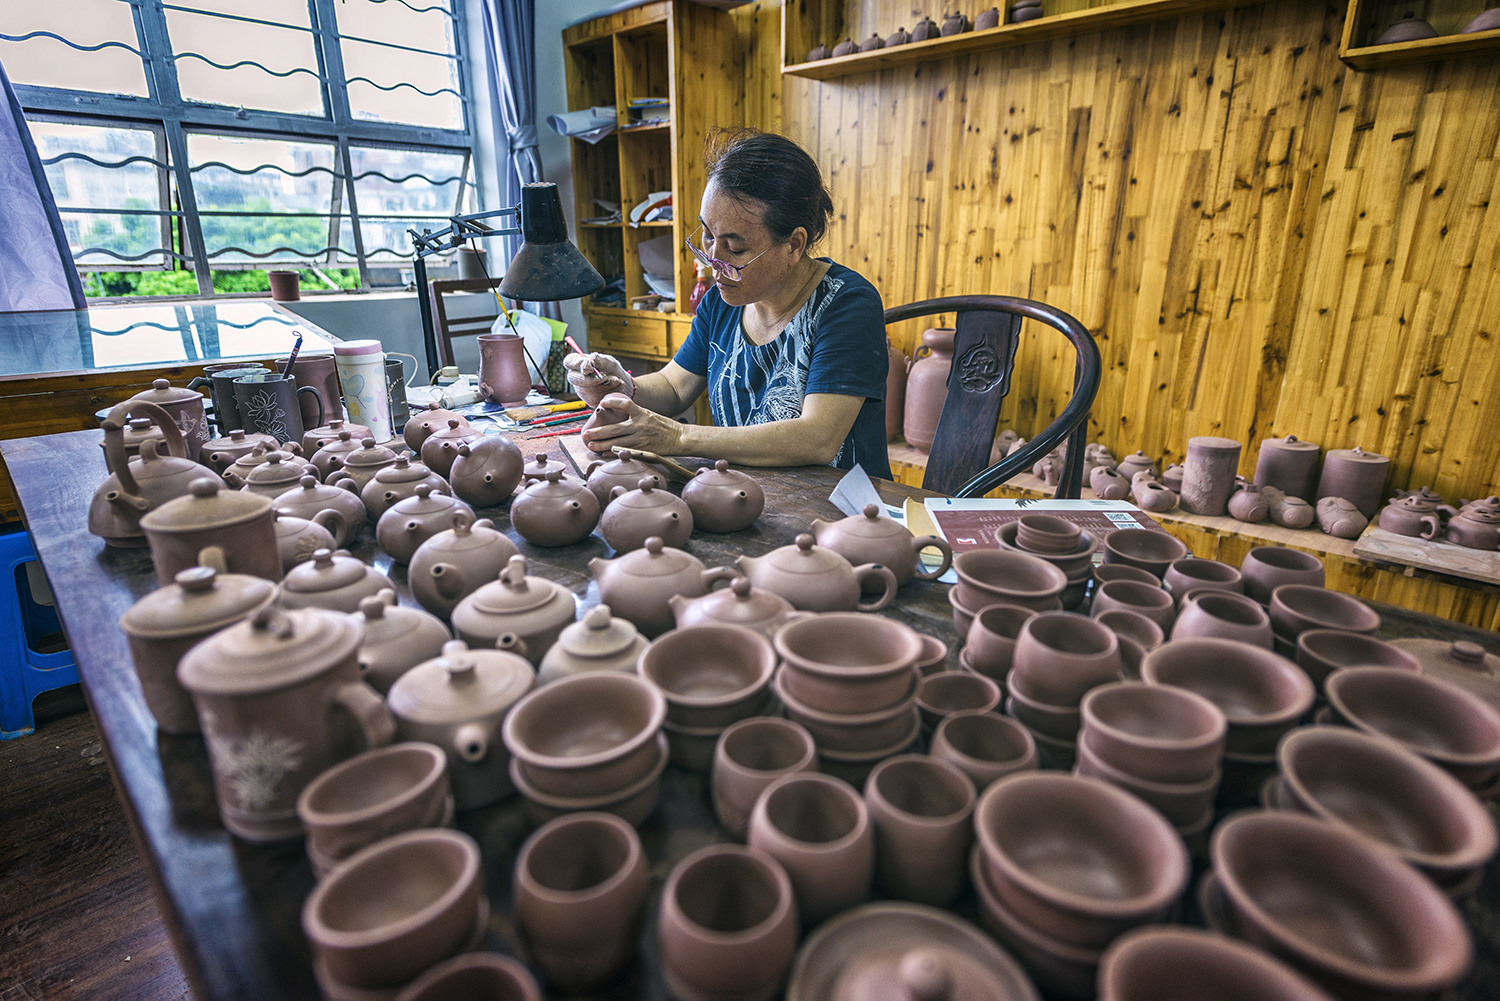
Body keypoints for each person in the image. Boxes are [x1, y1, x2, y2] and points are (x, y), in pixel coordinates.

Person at [565, 128, 892, 481]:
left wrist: (678, 436)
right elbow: (675, 387)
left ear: (794, 245)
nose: (712, 260)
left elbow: (817, 438)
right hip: (744, 493)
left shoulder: (846, 305)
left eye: (735, 249)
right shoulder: (723, 301)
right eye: (708, 235)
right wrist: (621, 386)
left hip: (844, 513)